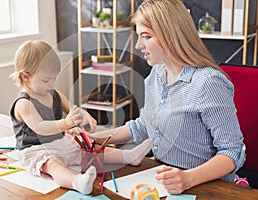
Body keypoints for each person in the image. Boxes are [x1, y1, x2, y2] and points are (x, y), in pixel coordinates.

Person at [75, 0, 246, 194]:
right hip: (162, 180)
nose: (138, 45)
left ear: (170, 35)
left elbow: (231, 152)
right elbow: (142, 126)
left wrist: (188, 178)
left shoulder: (208, 83)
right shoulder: (156, 75)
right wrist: (94, 138)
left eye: (146, 36)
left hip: (204, 186)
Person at [9, 40, 152, 194]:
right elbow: (40, 127)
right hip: (35, 149)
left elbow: (73, 109)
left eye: (54, 78)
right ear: (25, 77)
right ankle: (76, 182)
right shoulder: (23, 103)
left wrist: (85, 115)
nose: (52, 84)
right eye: (46, 80)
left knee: (89, 148)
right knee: (53, 164)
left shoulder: (55, 95)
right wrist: (66, 123)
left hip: (58, 141)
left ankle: (127, 156)